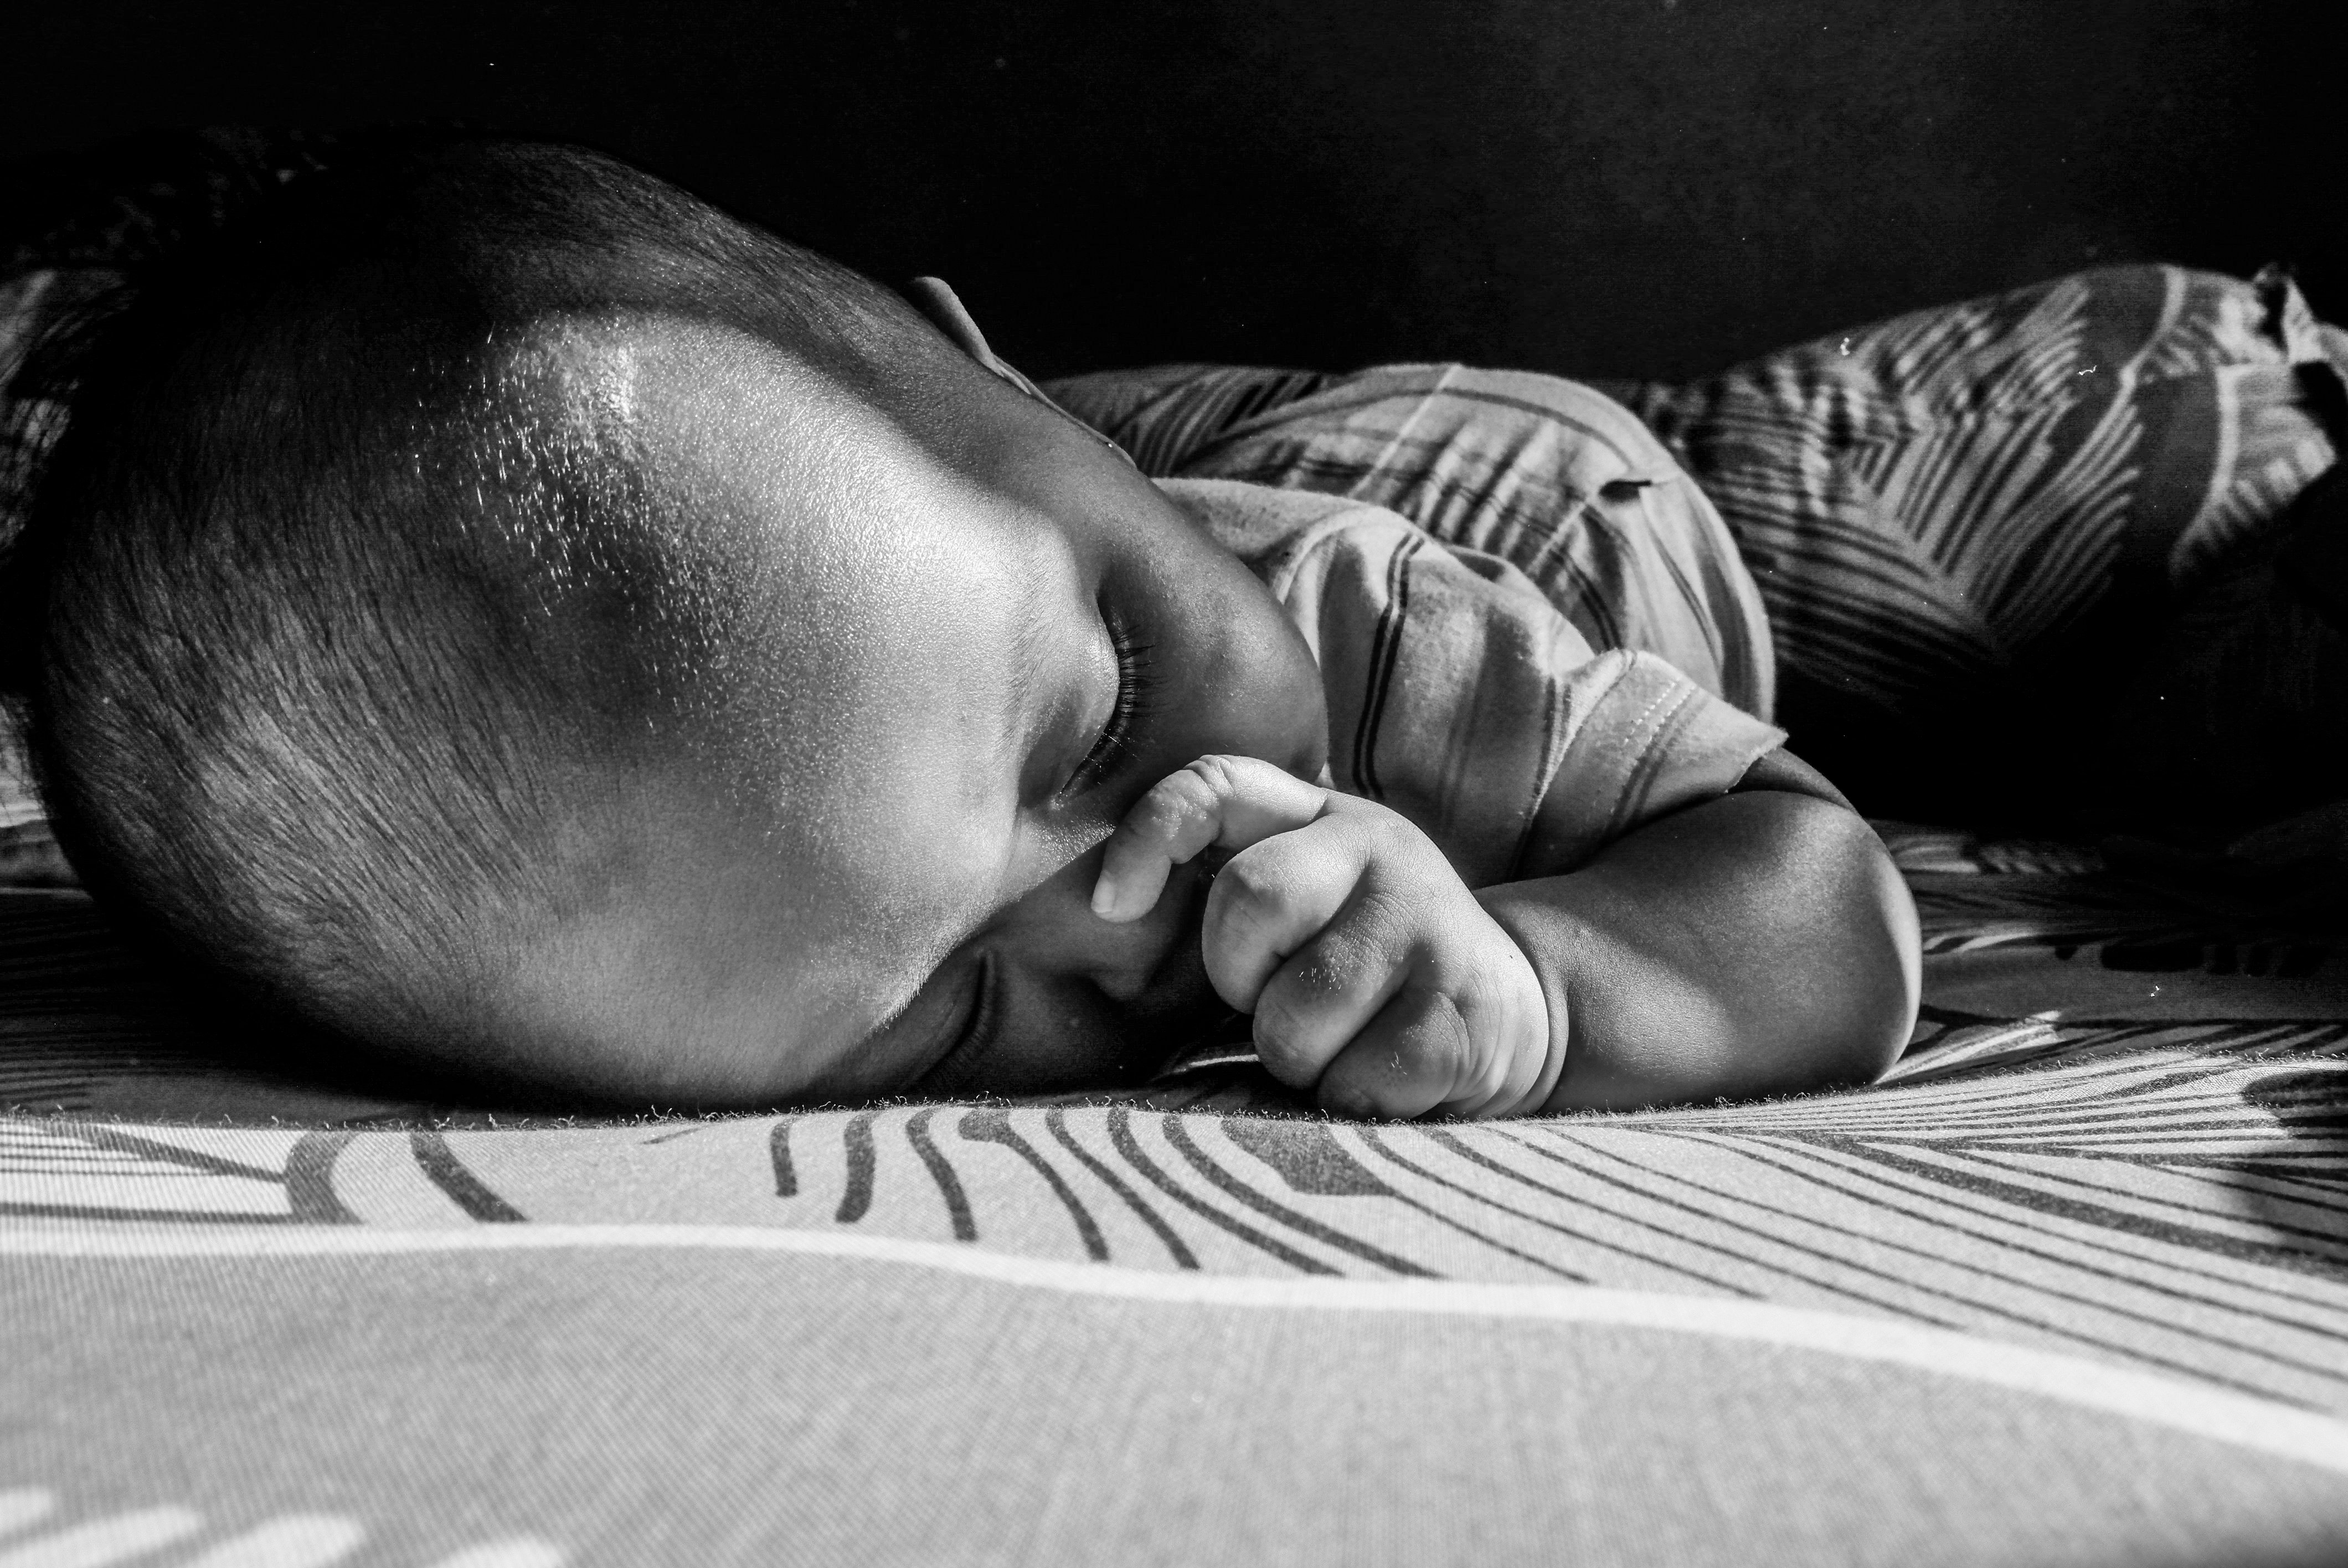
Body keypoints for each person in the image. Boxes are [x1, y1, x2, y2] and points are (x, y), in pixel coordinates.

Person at [27, 130, 2176, 1121]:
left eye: (1101, 715)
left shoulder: (1379, 656)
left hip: (1629, 505)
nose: (1129, 910)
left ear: (979, 362)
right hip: (1165, 460)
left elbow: (1818, 901)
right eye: (951, 1014)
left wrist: (1546, 973)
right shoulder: (935, 637)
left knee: (2082, 475)